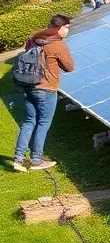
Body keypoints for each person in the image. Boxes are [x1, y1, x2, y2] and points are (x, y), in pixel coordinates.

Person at [12, 14, 74, 171]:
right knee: (43, 122)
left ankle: (18, 159)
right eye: (66, 28)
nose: (67, 31)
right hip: (46, 88)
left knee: (29, 120)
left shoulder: (34, 39)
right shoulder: (58, 45)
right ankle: (36, 160)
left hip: (28, 84)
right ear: (59, 28)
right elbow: (69, 67)